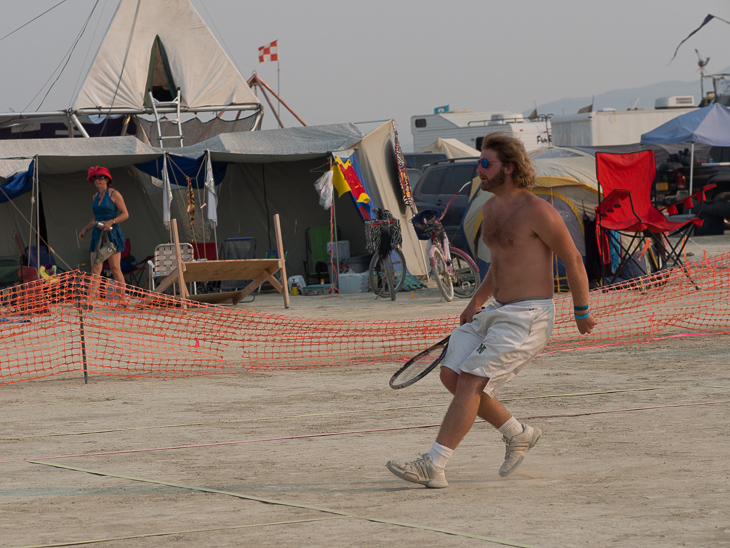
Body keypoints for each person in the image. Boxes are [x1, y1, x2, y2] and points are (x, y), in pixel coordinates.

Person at [386, 132, 597, 488]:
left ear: (509, 168)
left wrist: (581, 311)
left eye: (486, 164)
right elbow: (498, 266)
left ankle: (433, 465)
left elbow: (573, 259)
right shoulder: (491, 209)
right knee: (451, 377)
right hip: (496, 310)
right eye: (478, 163)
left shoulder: (538, 210)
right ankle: (518, 433)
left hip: (529, 316)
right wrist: (475, 301)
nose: (479, 171)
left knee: (470, 381)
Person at [78, 166, 129, 295]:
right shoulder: (95, 196)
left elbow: (125, 214)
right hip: (97, 234)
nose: (97, 180)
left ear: (107, 179)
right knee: (95, 267)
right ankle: (90, 300)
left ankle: (123, 300)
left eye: (100, 177)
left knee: (115, 268)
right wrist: (86, 228)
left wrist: (111, 221)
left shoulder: (114, 194)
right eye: (95, 178)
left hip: (112, 234)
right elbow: (96, 217)